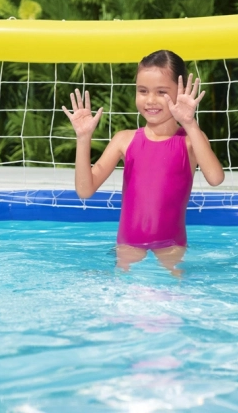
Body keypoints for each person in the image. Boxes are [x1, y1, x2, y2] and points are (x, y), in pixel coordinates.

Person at [62, 50, 224, 273]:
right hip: (128, 245)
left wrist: (190, 123)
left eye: (161, 92)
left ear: (181, 90)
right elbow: (84, 190)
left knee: (173, 300)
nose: (150, 100)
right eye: (143, 91)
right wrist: (83, 138)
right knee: (125, 301)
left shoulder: (189, 141)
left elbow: (215, 178)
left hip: (172, 246)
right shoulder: (124, 140)